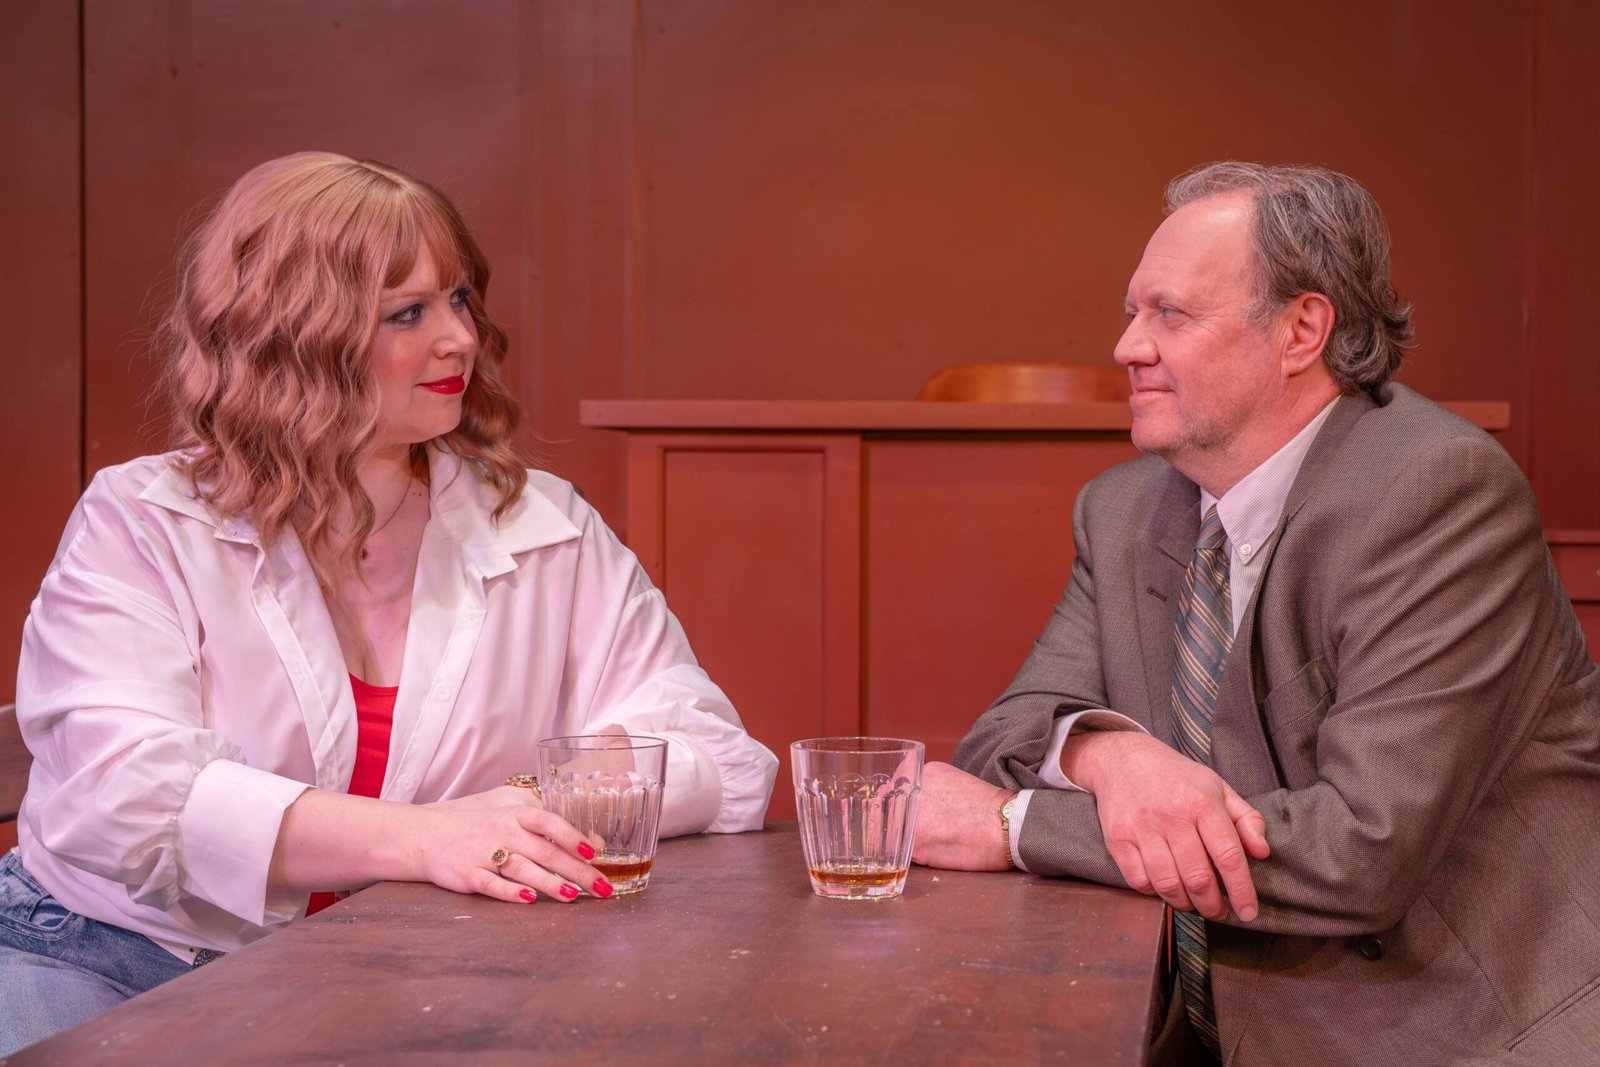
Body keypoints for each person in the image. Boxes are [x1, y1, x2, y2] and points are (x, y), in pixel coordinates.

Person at [0, 152, 778, 1054]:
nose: (460, 340)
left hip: (406, 973)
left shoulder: (543, 524)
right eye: (408, 313)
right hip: (112, 960)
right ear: (295, 338)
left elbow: (716, 756)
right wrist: (427, 838)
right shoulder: (142, 520)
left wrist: (518, 803)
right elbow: (122, 794)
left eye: (459, 300)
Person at [911, 161, 1600, 1065]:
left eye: (1170, 315)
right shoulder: (1121, 510)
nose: (1126, 347)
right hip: (1205, 1026)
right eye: (1132, 312)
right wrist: (1109, 754)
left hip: (1451, 1035)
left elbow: (1359, 852)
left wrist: (1014, 827)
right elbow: (1003, 736)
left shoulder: (1439, 492)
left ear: (1301, 330)